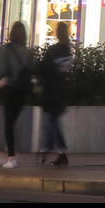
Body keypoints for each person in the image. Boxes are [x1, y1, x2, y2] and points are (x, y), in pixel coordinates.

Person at [0, 22, 32, 169]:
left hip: (10, 90)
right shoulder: (28, 51)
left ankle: (11, 157)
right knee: (12, 122)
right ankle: (9, 151)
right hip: (23, 91)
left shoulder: (7, 49)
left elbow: (1, 69)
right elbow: (32, 71)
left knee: (8, 124)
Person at [37, 21, 74, 167]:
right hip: (61, 92)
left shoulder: (54, 50)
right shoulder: (67, 51)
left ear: (57, 33)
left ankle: (49, 151)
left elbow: (43, 69)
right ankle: (53, 152)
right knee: (53, 123)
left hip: (50, 91)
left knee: (50, 123)